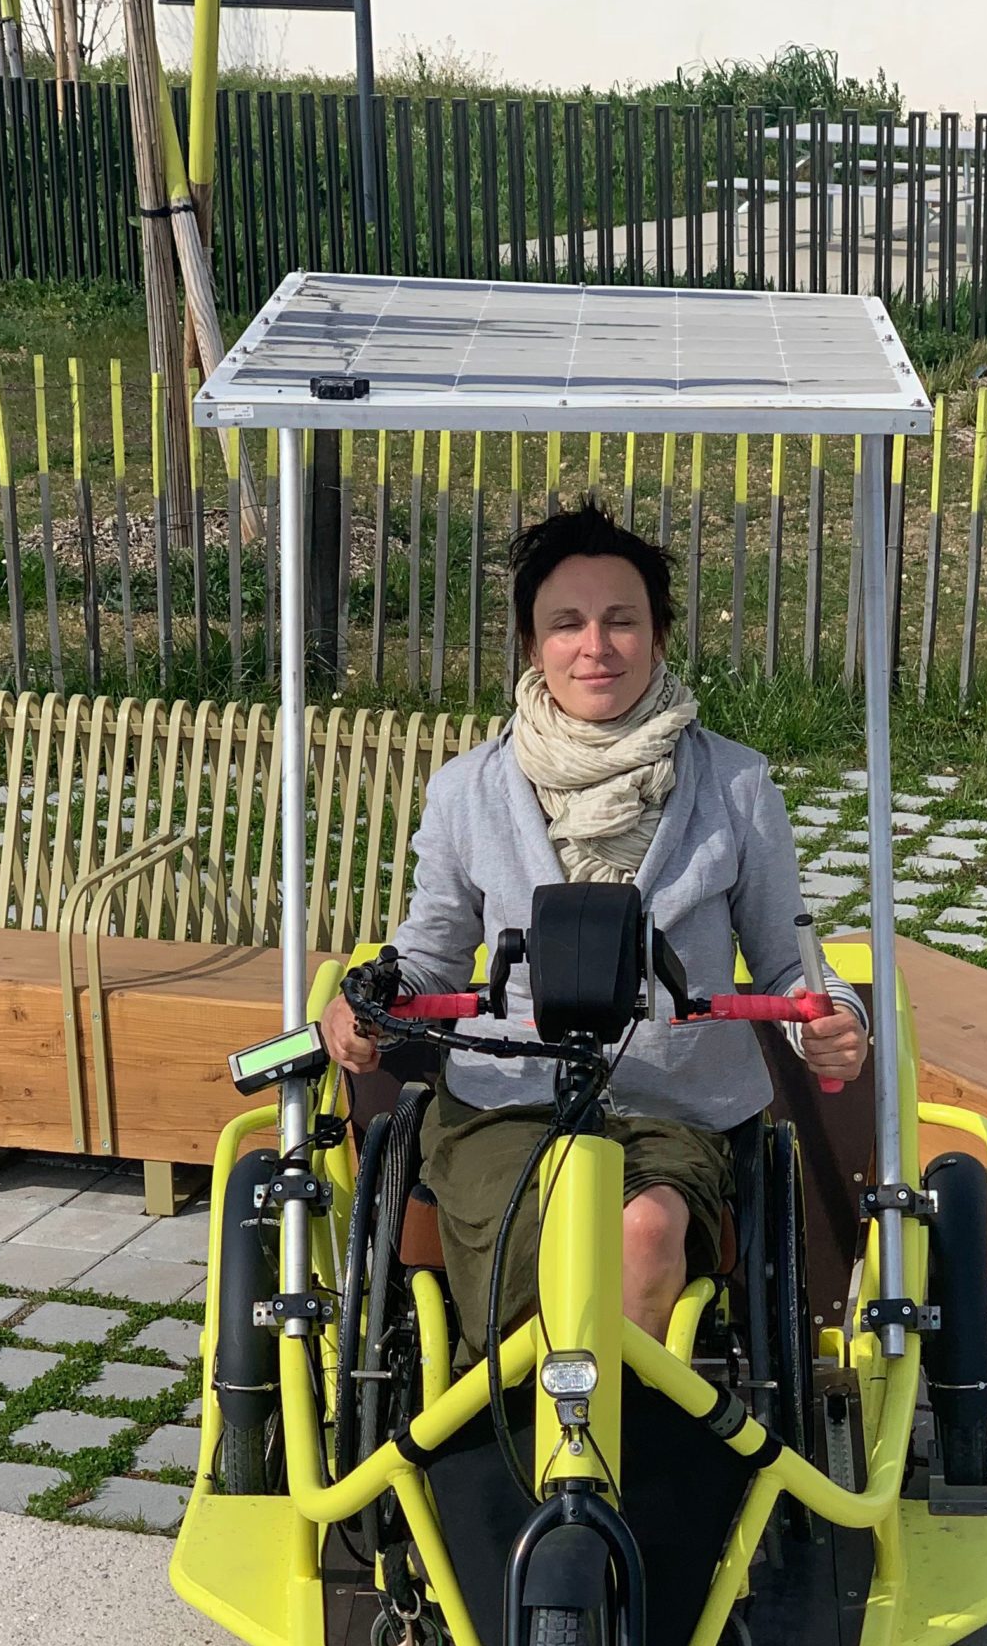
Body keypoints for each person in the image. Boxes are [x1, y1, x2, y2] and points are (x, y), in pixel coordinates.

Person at [322, 500, 868, 1356]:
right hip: (506, 1107)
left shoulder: (736, 786)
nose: (595, 646)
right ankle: (529, 1422)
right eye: (566, 624)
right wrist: (372, 1004)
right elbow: (431, 954)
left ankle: (614, 1433)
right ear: (531, 645)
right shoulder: (469, 791)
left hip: (673, 1109)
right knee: (542, 1232)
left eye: (621, 620)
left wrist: (834, 1020)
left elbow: (785, 961)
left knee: (643, 1229)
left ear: (658, 636)